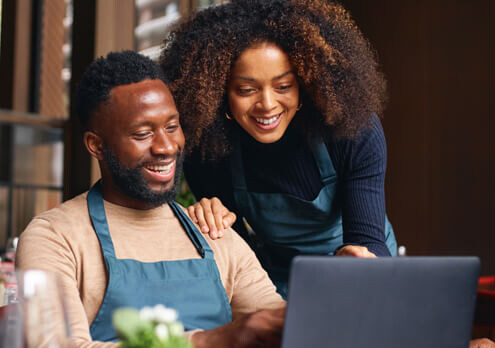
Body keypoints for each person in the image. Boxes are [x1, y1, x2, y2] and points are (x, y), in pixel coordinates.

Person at [16, 50, 286, 348]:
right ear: (96, 145)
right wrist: (203, 344)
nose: (166, 147)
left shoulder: (213, 230)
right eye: (143, 134)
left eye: (172, 126)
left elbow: (277, 328)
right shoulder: (54, 236)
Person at [159, 0, 397, 297]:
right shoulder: (208, 150)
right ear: (219, 92)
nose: (267, 105)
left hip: (359, 273)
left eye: (283, 86)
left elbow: (370, 241)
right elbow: (239, 256)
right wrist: (211, 224)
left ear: (305, 84)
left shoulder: (351, 131)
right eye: (246, 90)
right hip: (277, 279)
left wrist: (359, 261)